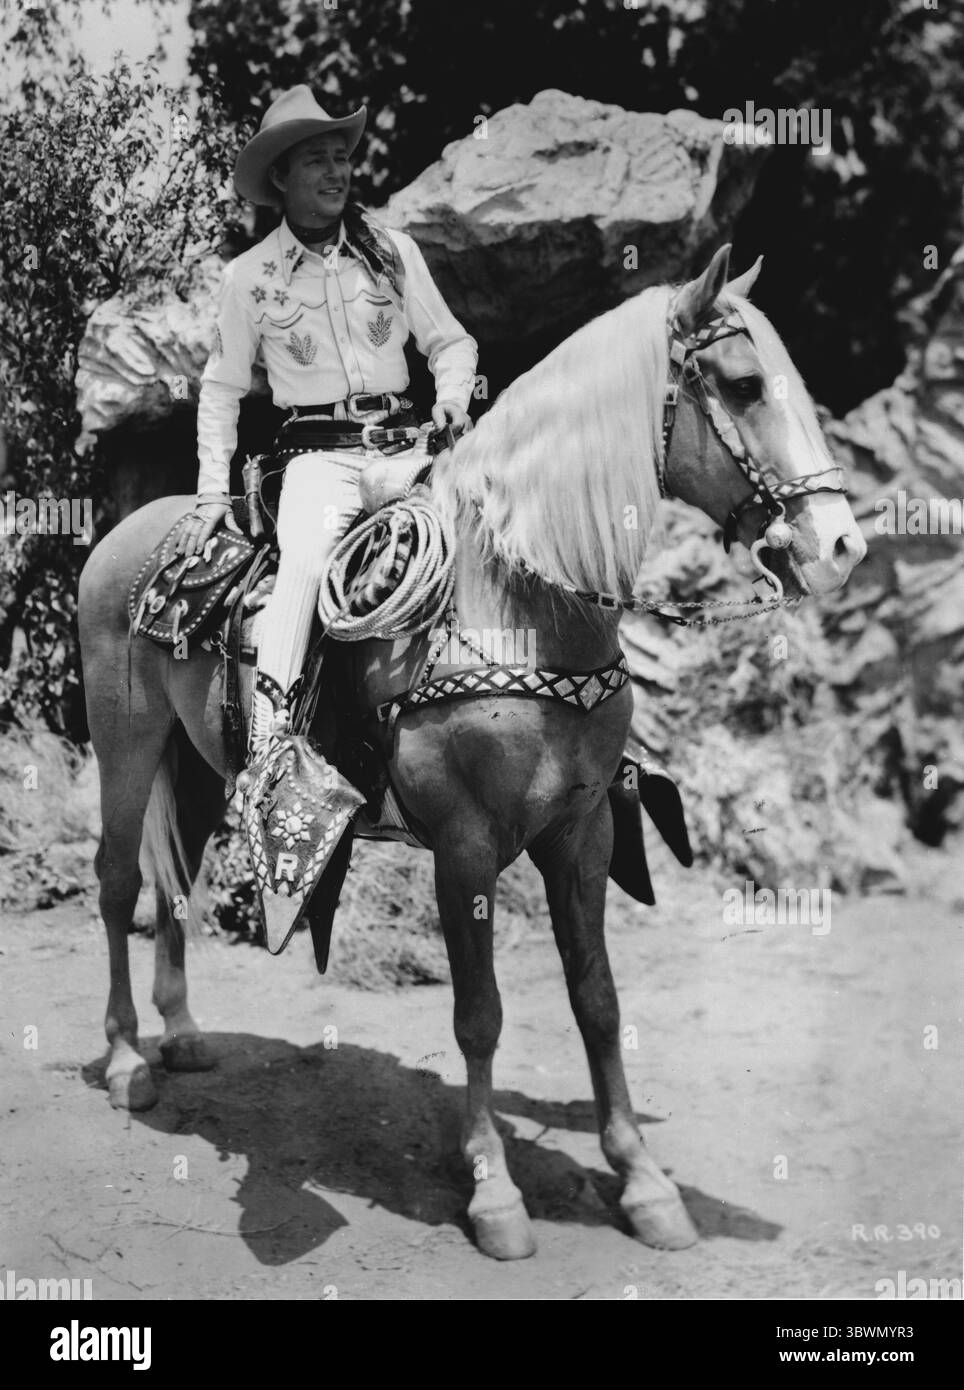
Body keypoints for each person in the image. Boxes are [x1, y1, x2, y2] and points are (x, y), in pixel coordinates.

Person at [177, 85, 478, 758]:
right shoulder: (248, 278)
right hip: (320, 462)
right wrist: (208, 494)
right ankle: (273, 749)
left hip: (409, 448)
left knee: (494, 533)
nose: (338, 172)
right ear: (281, 177)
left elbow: (450, 343)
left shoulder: (393, 252)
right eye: (318, 159)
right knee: (307, 564)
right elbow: (221, 389)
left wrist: (453, 395)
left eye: (342, 157)